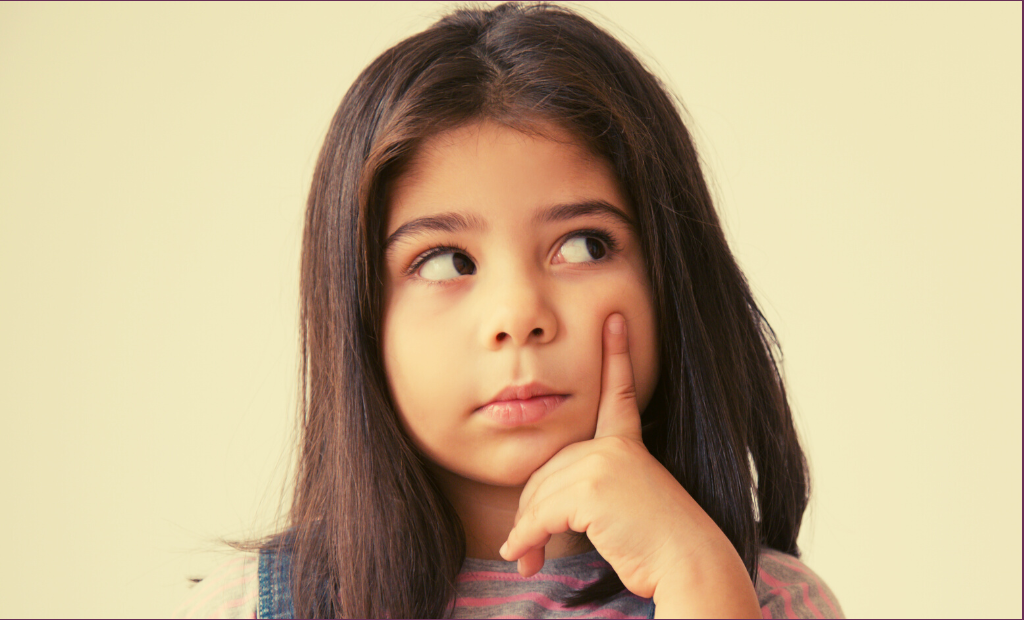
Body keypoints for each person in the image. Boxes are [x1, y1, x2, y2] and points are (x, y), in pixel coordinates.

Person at [175, 2, 844, 618]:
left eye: (583, 246)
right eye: (444, 261)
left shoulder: (770, 601)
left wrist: (701, 584)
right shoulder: (249, 608)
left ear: (672, 282)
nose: (518, 314)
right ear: (359, 316)